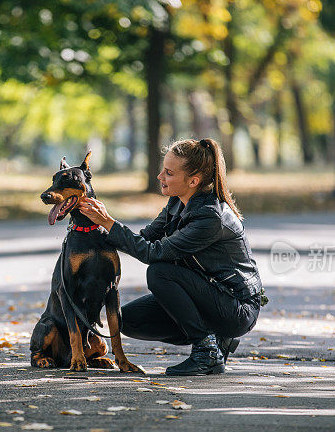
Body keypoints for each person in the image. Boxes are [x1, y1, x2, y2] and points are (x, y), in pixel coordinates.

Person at [79, 138, 267, 376]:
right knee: (127, 320)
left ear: (193, 181)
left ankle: (206, 351)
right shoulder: (176, 203)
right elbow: (145, 238)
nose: (160, 177)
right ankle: (217, 340)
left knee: (159, 272)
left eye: (168, 173)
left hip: (236, 308)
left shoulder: (210, 217)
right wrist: (91, 232)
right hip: (207, 296)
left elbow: (152, 253)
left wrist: (108, 222)